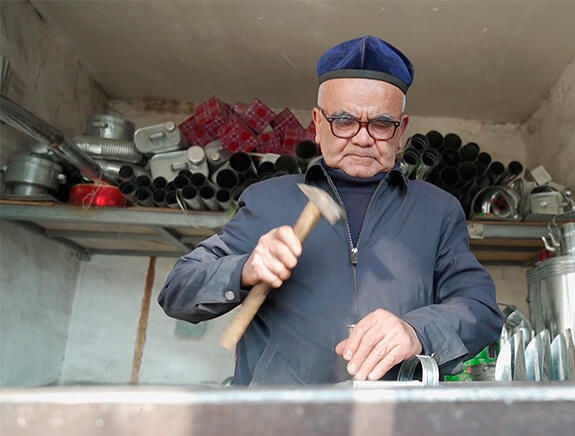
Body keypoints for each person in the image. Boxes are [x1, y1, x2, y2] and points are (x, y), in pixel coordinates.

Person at [158, 36, 503, 385]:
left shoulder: (437, 210)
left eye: (381, 124)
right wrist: (243, 270)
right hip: (280, 429)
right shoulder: (267, 201)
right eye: (344, 120)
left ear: (402, 132)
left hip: (394, 428)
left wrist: (417, 331)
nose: (363, 138)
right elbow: (177, 292)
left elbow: (481, 309)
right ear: (318, 124)